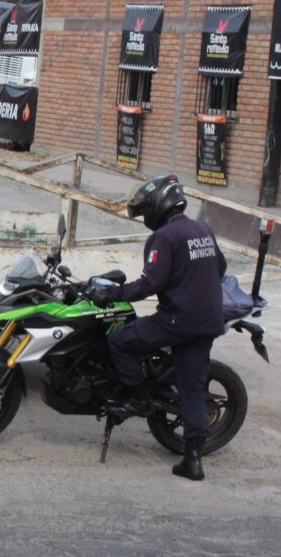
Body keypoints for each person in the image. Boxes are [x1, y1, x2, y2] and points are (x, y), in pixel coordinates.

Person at [90, 175, 226, 481]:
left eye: (146, 212)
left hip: (177, 321)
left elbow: (149, 284)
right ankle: (193, 460)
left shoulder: (164, 237)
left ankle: (138, 397)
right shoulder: (202, 229)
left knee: (120, 339)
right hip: (207, 322)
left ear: (158, 206)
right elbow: (221, 267)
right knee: (192, 388)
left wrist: (111, 295)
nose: (145, 218)